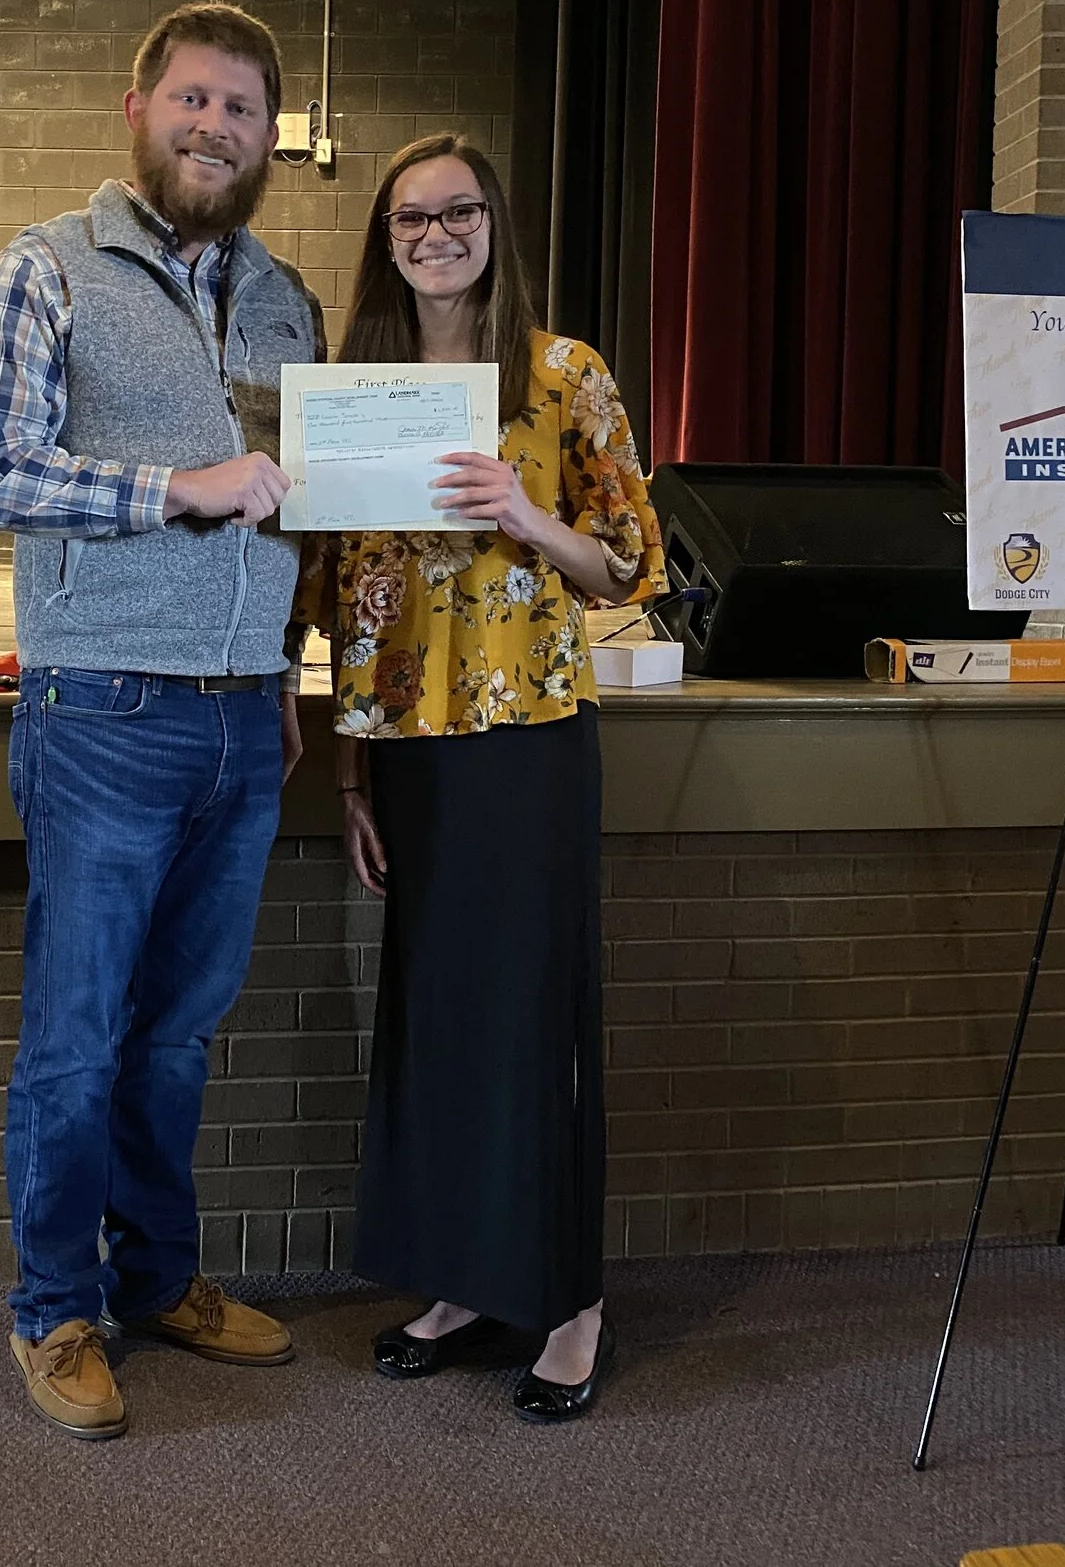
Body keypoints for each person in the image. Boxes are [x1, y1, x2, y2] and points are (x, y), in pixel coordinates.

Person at [0, 3, 324, 1442]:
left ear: (269, 138)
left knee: (177, 1038)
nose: (215, 127)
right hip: (102, 708)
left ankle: (160, 1274)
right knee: (77, 1037)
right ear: (138, 107)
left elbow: (298, 503)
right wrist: (184, 484)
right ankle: (55, 1307)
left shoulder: (285, 297)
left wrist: (280, 673)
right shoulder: (46, 269)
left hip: (242, 724)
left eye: (243, 109)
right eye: (194, 99)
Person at [300, 132, 664, 1423]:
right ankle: (460, 1279)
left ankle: (569, 1300)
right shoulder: (357, 387)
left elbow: (627, 564)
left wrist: (524, 512)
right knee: (439, 1018)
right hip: (405, 745)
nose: (436, 233)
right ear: (385, 239)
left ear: (496, 223)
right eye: (411, 219)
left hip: (526, 739)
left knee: (531, 1021)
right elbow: (353, 591)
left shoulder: (562, 377)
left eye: (459, 211)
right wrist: (350, 776)